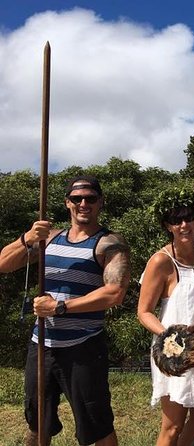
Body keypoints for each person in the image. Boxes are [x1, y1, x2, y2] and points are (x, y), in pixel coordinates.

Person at [0, 175, 130, 446]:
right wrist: (27, 238)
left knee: (97, 426)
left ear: (100, 203)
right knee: (37, 422)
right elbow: (3, 264)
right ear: (67, 203)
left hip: (83, 348)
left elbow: (114, 292)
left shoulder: (109, 243)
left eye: (90, 198)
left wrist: (59, 307)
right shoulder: (49, 238)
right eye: (77, 198)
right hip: (42, 346)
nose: (84, 203)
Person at [137, 187, 194, 445]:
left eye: (189, 217)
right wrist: (169, 336)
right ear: (168, 225)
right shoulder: (162, 261)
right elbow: (143, 312)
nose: (184, 225)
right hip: (178, 350)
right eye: (176, 220)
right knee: (172, 425)